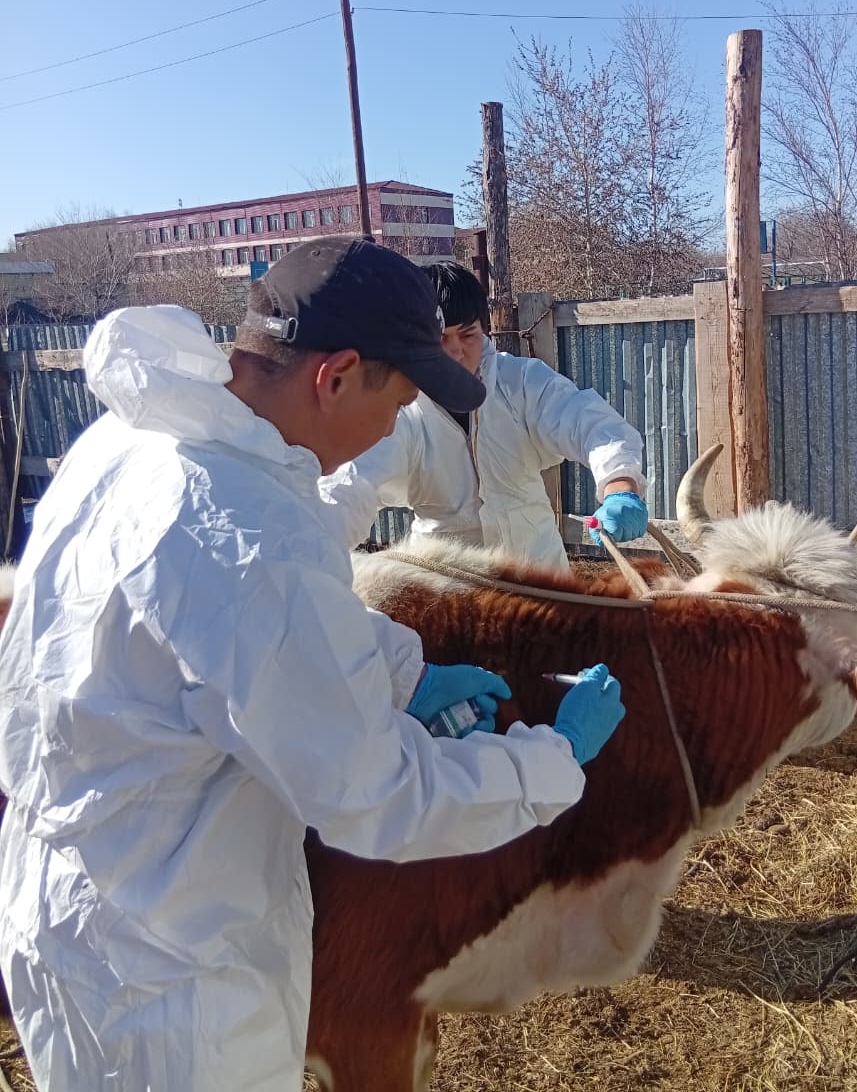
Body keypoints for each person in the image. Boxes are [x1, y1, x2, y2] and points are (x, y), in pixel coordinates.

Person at [0, 237, 626, 1092]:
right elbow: (377, 796)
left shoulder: (134, 440)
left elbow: (226, 631)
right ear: (333, 375)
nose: (387, 430)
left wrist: (403, 673)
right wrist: (552, 760)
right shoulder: (247, 527)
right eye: (395, 399)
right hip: (172, 972)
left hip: (77, 900)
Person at [320, 260, 650, 569]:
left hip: (540, 579)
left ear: (485, 330)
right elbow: (351, 481)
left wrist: (619, 485)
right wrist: (319, 547)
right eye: (439, 339)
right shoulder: (402, 405)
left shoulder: (520, 382)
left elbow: (588, 423)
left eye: (468, 335)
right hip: (450, 590)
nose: (455, 351)